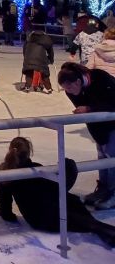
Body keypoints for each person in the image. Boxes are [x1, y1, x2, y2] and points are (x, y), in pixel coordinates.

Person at [0, 137, 115, 248]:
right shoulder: (37, 169)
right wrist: (69, 169)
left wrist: (8, 216)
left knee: (72, 208)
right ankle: (100, 228)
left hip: (37, 218)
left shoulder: (6, 172)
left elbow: (4, 200)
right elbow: (59, 188)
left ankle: (100, 229)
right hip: (48, 217)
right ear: (29, 152)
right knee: (76, 213)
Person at [57, 62, 115, 210]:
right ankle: (103, 188)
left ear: (78, 81)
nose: (68, 91)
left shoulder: (101, 79)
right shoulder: (72, 90)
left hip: (113, 124)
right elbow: (83, 107)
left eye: (69, 87)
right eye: (65, 88)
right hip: (97, 126)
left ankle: (113, 193)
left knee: (112, 157)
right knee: (102, 156)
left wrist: (90, 108)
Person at [21, 28, 54, 93]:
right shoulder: (46, 38)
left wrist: (26, 57)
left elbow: (24, 48)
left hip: (29, 57)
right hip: (41, 58)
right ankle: (49, 88)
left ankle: (27, 86)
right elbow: (50, 51)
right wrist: (51, 59)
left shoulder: (29, 37)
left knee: (29, 71)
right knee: (44, 73)